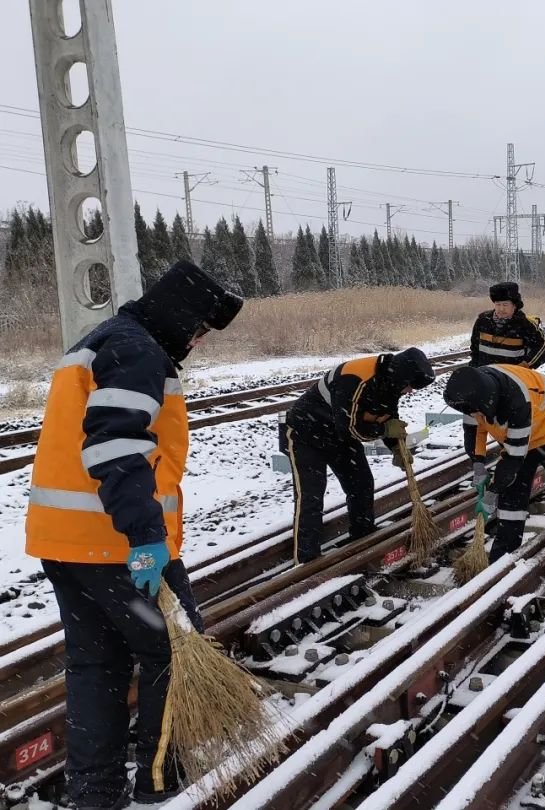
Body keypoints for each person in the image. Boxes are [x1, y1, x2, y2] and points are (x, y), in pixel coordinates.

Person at [25, 260, 243, 809]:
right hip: (119, 544)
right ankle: (159, 786)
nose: (196, 342)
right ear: (179, 315)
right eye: (197, 329)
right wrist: (145, 536)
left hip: (66, 543)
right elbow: (116, 447)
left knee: (97, 664)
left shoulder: (101, 341)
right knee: (175, 652)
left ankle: (95, 796)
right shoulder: (138, 351)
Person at [442, 365, 545, 582]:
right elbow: (474, 432)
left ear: (490, 402)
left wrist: (493, 491)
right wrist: (478, 464)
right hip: (519, 435)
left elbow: (511, 462)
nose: (476, 415)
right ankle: (503, 562)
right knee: (511, 500)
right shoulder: (471, 393)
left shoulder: (516, 400)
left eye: (479, 412)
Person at [283, 348, 435, 564]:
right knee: (311, 496)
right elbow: (350, 429)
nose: (409, 391)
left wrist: (396, 448)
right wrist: (384, 432)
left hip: (338, 436)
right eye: (410, 386)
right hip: (306, 433)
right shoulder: (356, 378)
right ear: (402, 376)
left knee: (361, 484)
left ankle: (362, 540)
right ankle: (306, 561)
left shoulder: (391, 382)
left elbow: (386, 417)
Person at [469, 281, 545, 369]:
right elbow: (475, 348)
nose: (501, 309)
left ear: (514, 306)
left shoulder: (525, 325)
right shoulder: (482, 321)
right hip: (486, 376)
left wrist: (525, 365)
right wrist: (475, 368)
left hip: (512, 378)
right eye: (498, 304)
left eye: (505, 305)